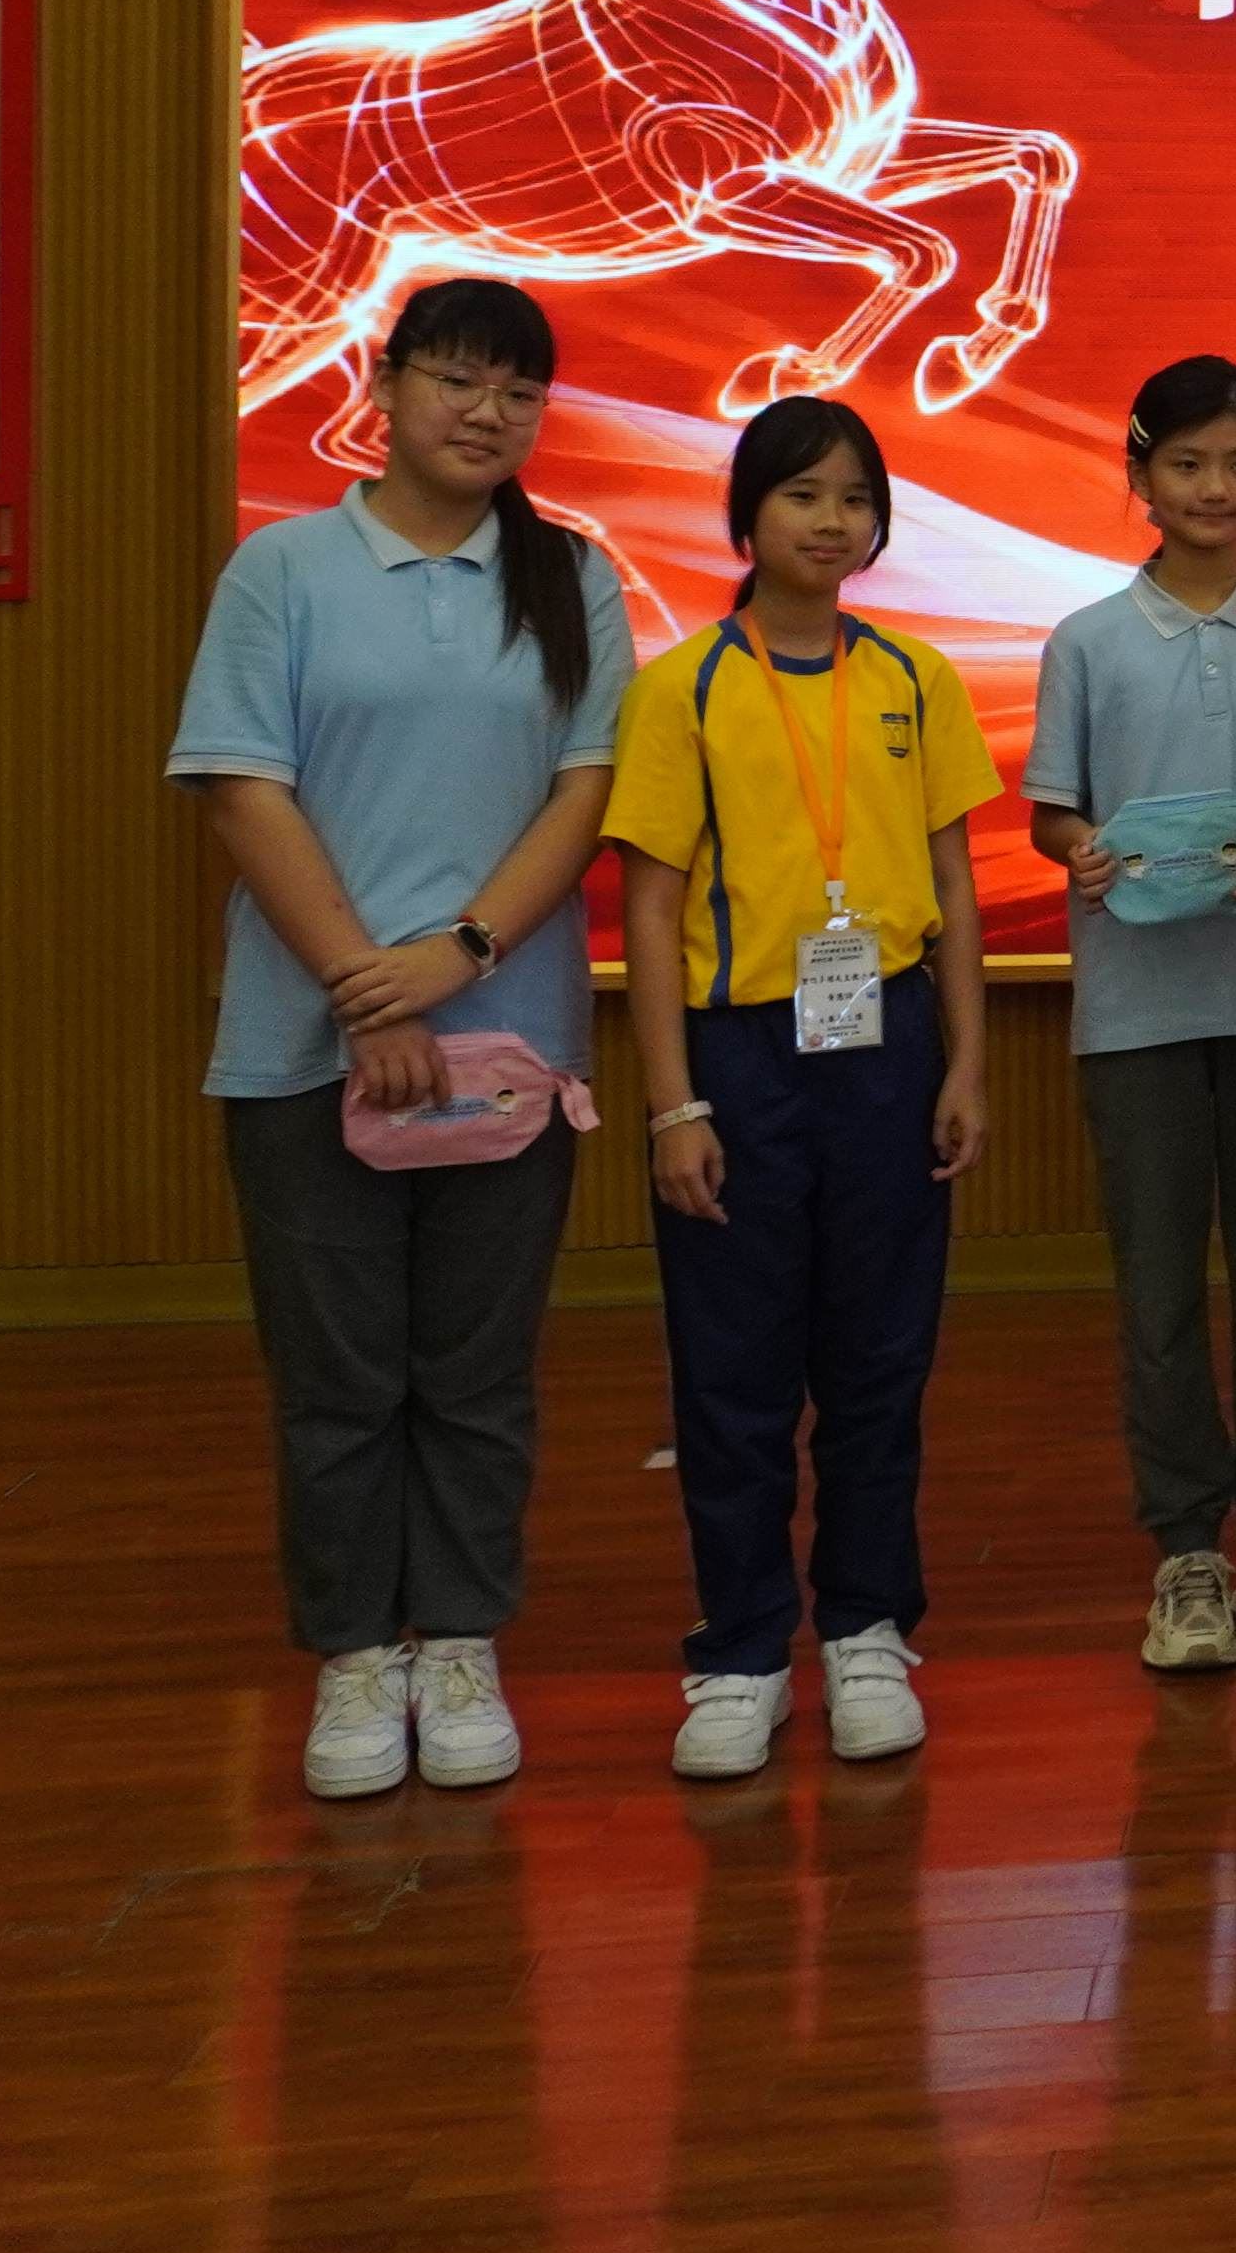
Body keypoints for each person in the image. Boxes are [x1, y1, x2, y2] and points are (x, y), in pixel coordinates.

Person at [169, 278, 637, 1801]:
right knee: (339, 1374)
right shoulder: (283, 567)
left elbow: (586, 792)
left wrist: (461, 956)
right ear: (385, 386)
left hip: (513, 1040)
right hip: (308, 1043)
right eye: (457, 379)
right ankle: (358, 1655)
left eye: (519, 392)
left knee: (478, 1371)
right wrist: (365, 987)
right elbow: (240, 783)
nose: (487, 413)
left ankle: (461, 1641)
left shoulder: (572, 577)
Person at [604, 396, 999, 1777]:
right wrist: (674, 1104)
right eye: (802, 495)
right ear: (747, 514)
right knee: (736, 1367)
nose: (832, 522)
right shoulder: (682, 688)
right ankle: (741, 1649)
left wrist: (966, 1062)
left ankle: (868, 1626)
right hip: (740, 1052)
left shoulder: (915, 679)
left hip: (888, 1044)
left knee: (881, 1358)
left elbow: (953, 884)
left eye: (854, 498)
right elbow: (652, 906)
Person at [1027, 356, 1236, 1678]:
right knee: (1159, 1290)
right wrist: (1081, 850)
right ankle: (1184, 1553)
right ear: (1140, 475)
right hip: (1136, 1015)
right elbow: (1054, 810)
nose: (1214, 489)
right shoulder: (1088, 639)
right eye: (1186, 465)